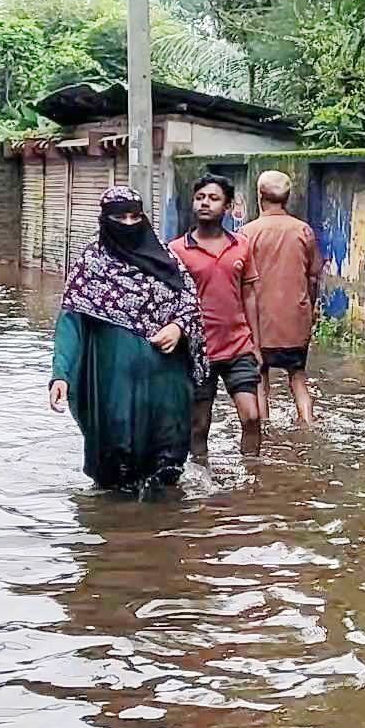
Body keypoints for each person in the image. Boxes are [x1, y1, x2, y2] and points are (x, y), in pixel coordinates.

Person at [49, 186, 206, 497]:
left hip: (165, 382)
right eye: (120, 217)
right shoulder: (91, 265)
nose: (130, 224)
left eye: (136, 216)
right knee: (115, 470)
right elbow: (71, 322)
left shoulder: (167, 259)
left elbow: (190, 303)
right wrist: (61, 375)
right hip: (113, 386)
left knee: (167, 466)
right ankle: (116, 538)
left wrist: (177, 327)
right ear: (105, 220)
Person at [171, 174, 265, 460]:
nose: (205, 204)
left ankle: (252, 478)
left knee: (252, 417)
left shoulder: (242, 245)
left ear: (226, 207)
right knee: (199, 425)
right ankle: (202, 482)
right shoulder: (176, 250)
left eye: (213, 198)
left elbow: (249, 294)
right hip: (197, 349)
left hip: (238, 345)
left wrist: (256, 344)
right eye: (200, 198)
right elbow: (171, 302)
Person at [240, 170, 323, 424]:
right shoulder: (303, 230)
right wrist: (309, 308)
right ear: (288, 198)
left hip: (260, 322)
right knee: (298, 377)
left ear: (259, 196)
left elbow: (239, 281)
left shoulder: (246, 233)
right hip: (295, 319)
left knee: (260, 379)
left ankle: (264, 434)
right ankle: (308, 426)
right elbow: (314, 275)